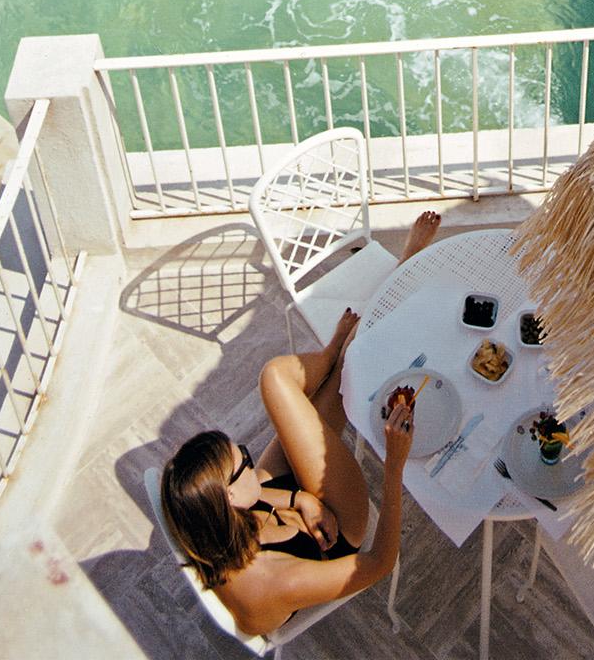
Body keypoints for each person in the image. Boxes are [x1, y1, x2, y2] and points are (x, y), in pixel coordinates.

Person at [160, 211, 442, 640]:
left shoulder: (210, 521)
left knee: (293, 377)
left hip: (286, 513)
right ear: (230, 496)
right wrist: (393, 468)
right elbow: (379, 563)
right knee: (336, 370)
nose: (251, 461)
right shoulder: (276, 580)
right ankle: (369, 314)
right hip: (340, 532)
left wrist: (297, 497)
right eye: (245, 462)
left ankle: (336, 350)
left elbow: (251, 495)